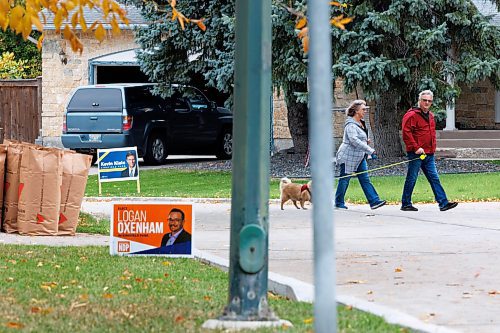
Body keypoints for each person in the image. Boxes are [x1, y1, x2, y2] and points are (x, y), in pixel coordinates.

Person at [401, 90, 458, 212]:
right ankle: (406, 203)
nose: (427, 103)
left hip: (429, 153)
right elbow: (406, 133)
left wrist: (432, 148)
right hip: (416, 153)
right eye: (424, 100)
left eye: (429, 101)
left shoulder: (431, 116)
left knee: (434, 178)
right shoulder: (411, 115)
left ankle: (443, 203)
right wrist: (416, 147)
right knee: (412, 177)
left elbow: (430, 134)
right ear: (420, 101)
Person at [334, 100, 386, 210]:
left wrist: (365, 140)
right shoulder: (350, 125)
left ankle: (374, 201)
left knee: (365, 179)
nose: (365, 111)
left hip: (359, 157)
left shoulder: (361, 122)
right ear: (356, 111)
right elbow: (354, 140)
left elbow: (359, 138)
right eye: (363, 109)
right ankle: (338, 202)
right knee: (344, 179)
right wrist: (370, 150)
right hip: (348, 156)